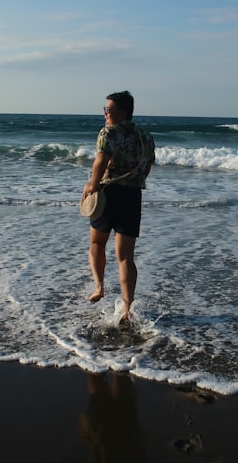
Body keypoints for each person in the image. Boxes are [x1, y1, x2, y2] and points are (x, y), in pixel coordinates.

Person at [82, 91, 155, 322]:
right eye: (104, 109)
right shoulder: (145, 135)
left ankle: (99, 286)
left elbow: (100, 161)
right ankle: (127, 308)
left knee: (96, 242)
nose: (105, 114)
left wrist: (92, 187)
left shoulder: (108, 133)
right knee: (125, 257)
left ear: (123, 112)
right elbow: (148, 164)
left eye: (109, 110)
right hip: (132, 198)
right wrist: (135, 181)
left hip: (108, 194)